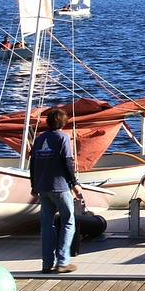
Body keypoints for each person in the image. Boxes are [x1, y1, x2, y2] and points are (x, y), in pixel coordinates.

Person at [29, 106, 84, 274]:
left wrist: (33, 185)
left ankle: (47, 264)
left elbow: (32, 164)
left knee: (46, 225)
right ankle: (62, 261)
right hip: (59, 187)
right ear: (63, 122)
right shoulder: (63, 138)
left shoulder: (39, 139)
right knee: (68, 221)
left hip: (42, 187)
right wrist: (74, 183)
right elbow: (67, 162)